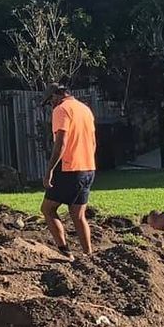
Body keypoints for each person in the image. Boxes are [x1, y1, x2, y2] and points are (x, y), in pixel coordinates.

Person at [41, 84, 96, 256]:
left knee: (48, 209)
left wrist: (50, 170)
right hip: (88, 167)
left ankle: (65, 252)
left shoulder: (61, 109)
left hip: (69, 168)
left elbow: (61, 142)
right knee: (78, 214)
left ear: (56, 96)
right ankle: (88, 254)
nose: (51, 105)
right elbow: (93, 142)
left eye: (50, 101)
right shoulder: (84, 109)